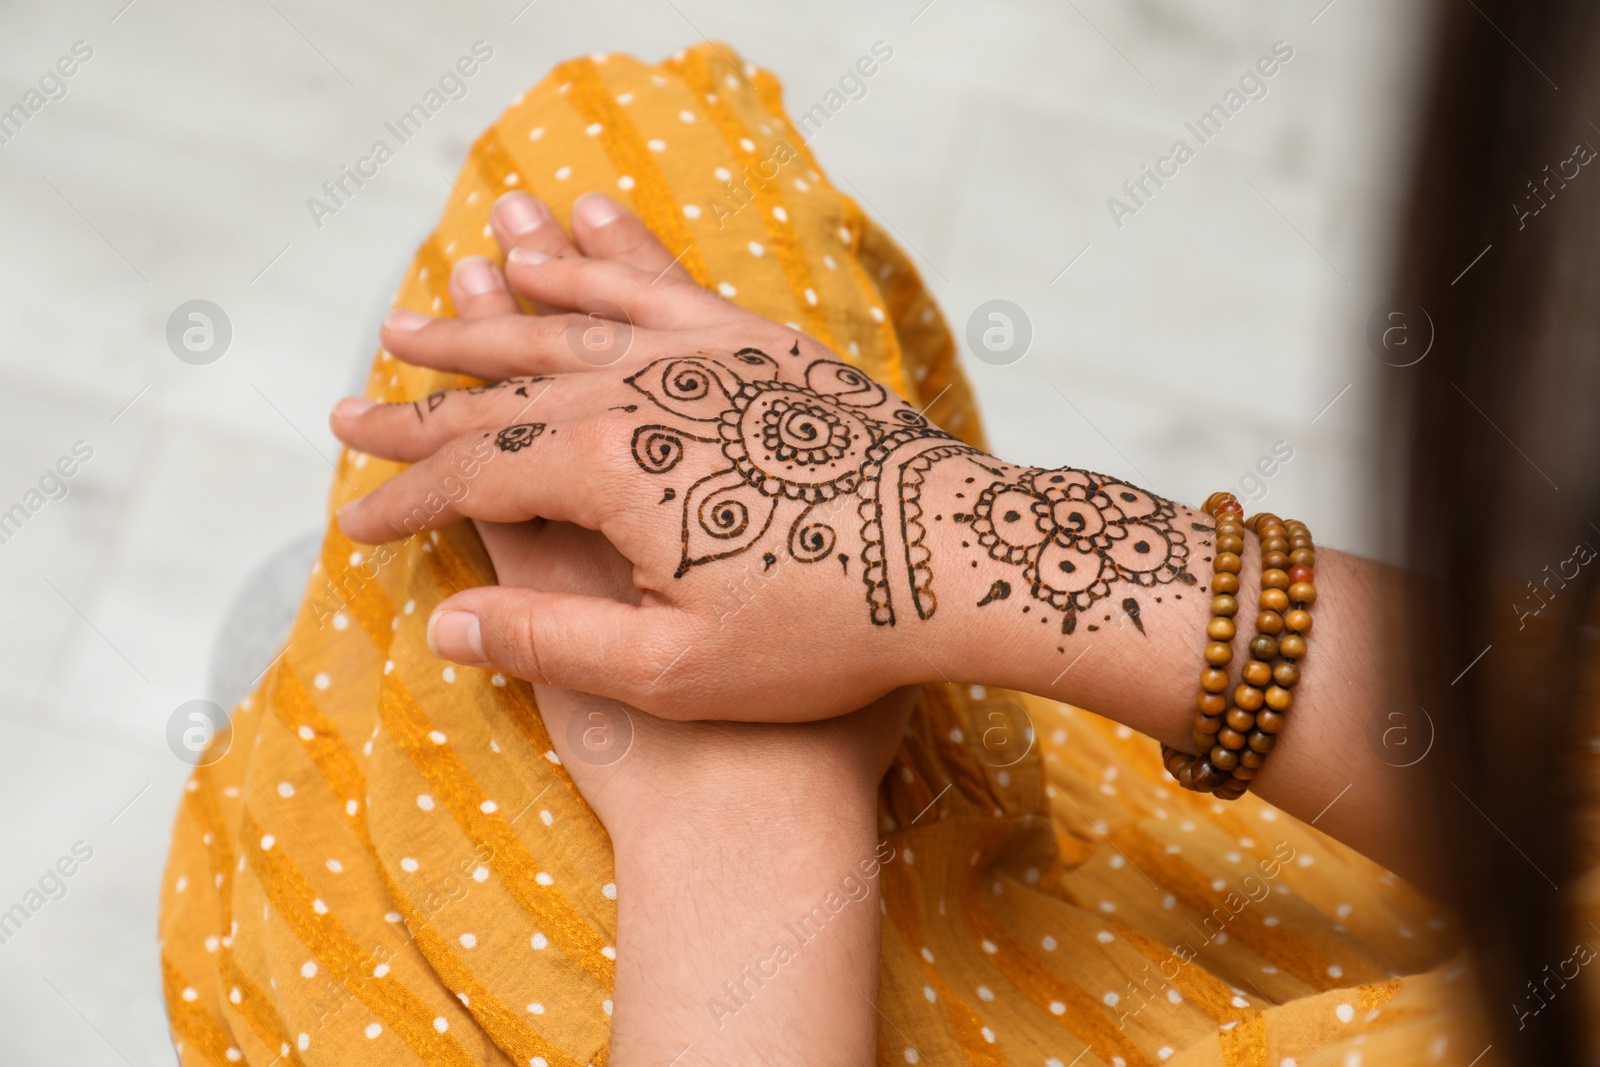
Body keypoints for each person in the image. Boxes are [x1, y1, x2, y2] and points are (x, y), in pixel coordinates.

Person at [159, 7, 1600, 1061]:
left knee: (393, 602)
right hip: (1312, 891)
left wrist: (750, 808)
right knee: (605, 189)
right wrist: (946, 532)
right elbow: (1566, 769)